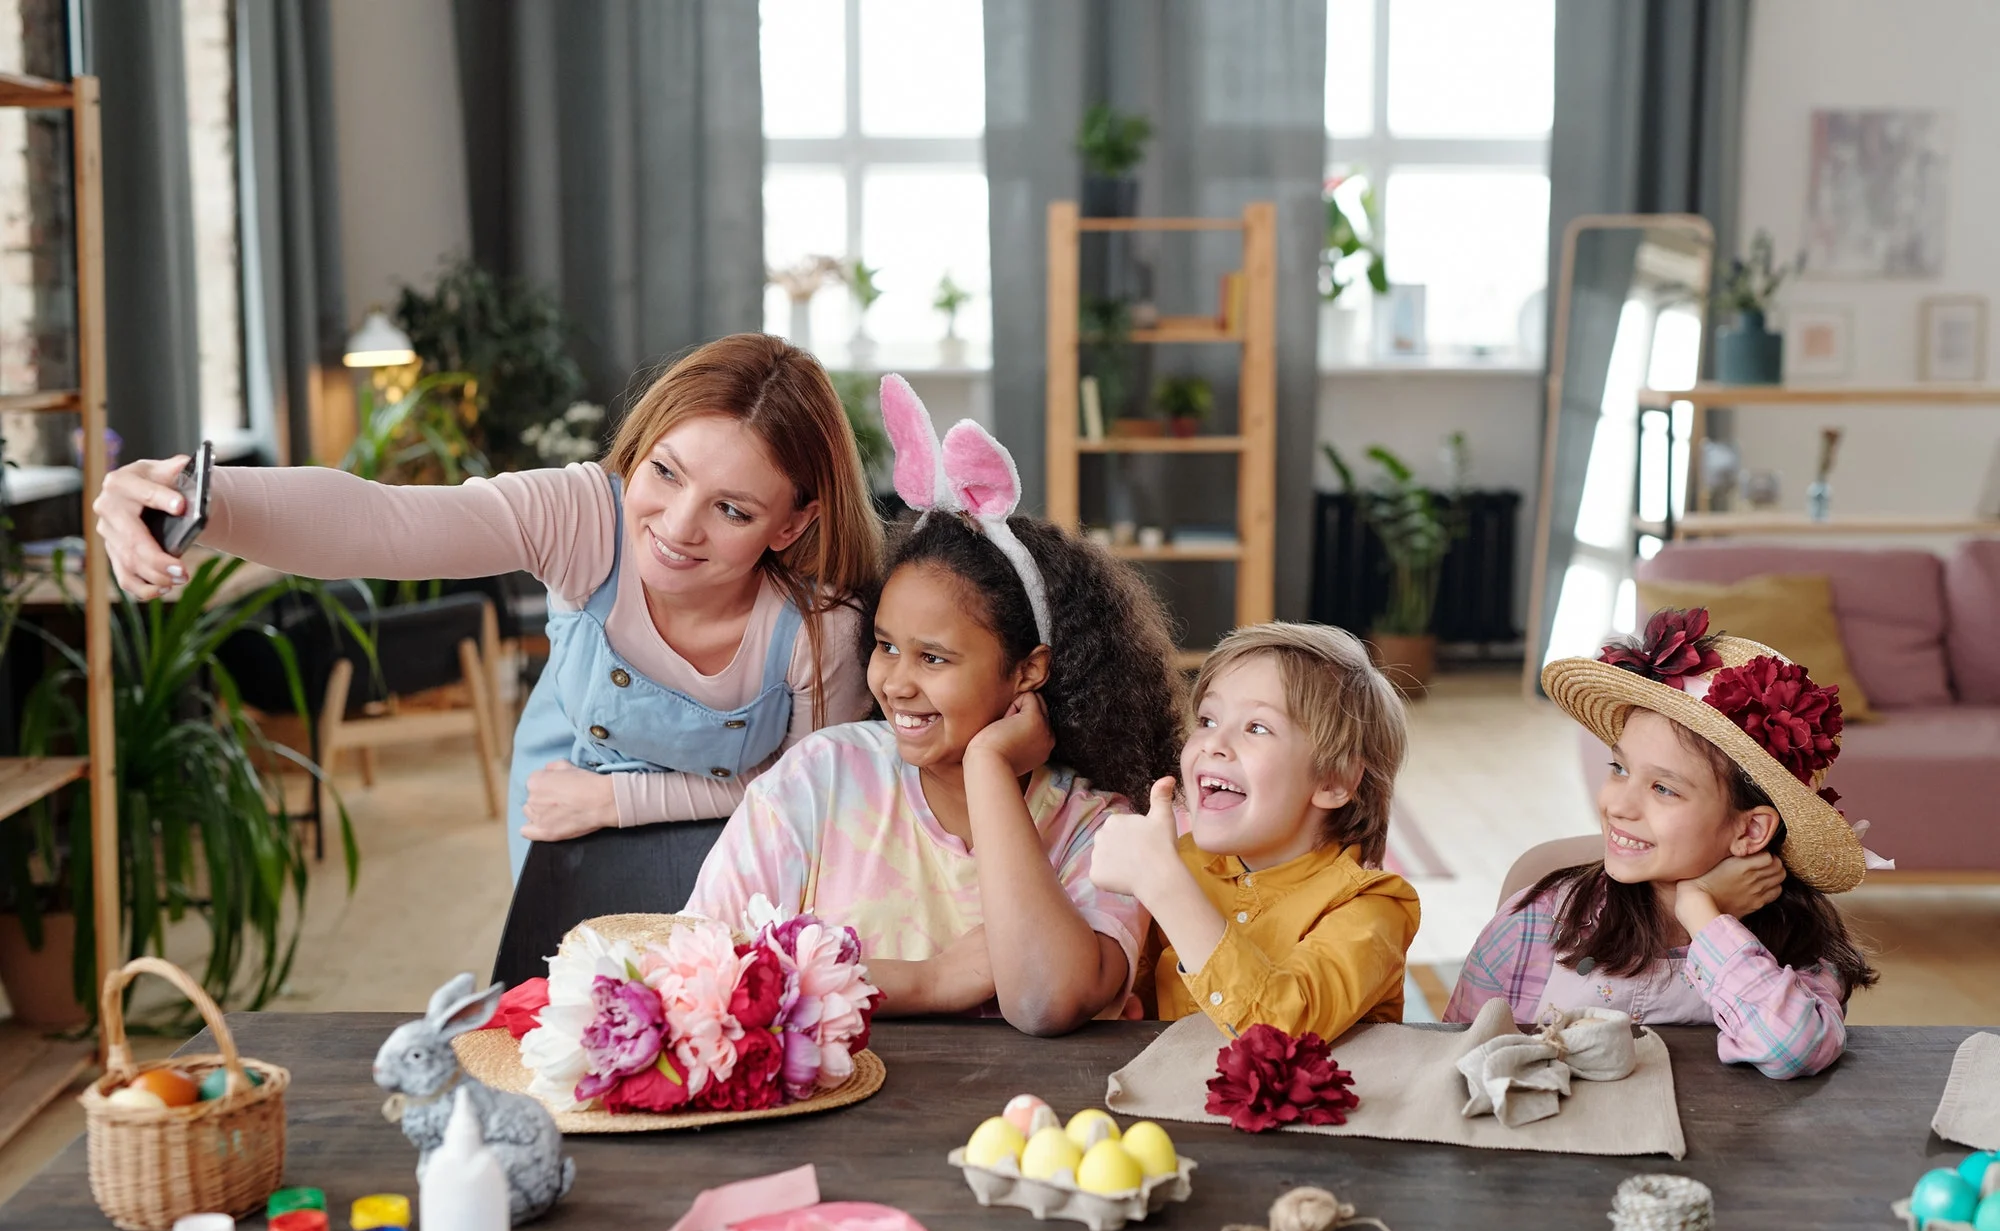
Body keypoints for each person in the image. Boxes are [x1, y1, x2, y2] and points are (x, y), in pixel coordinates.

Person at [94, 334, 883, 970]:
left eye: (733, 509)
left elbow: (805, 800)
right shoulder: (583, 515)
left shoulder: (821, 628)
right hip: (561, 800)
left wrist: (620, 800)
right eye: (664, 472)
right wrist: (195, 498)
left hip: (719, 826)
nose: (678, 526)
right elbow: (381, 521)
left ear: (790, 525)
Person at [686, 375, 1183, 1036]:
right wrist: (933, 980)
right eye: (887, 646)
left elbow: (1045, 1000)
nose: (894, 682)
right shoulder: (821, 778)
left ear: (1027, 671)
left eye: (934, 658)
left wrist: (987, 767)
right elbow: (699, 967)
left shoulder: (1101, 828)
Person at [1446, 607, 1879, 1079]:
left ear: (1750, 831)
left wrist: (1702, 913)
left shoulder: (1799, 945)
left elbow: (1792, 1049)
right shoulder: (1535, 925)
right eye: (1620, 769)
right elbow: (1452, 1060)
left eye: (1663, 789)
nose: (1619, 806)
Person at [1091, 622, 1420, 1040]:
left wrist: (1162, 885)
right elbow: (1125, 1002)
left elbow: (1280, 1034)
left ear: (1334, 781)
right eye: (1208, 720)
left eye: (1257, 728)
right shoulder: (1183, 864)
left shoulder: (1374, 909)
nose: (1213, 743)